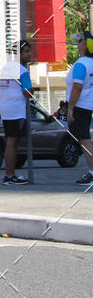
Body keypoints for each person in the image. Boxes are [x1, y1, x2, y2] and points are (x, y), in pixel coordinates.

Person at [0, 40, 32, 185]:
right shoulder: (22, 70)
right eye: (26, 52)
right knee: (12, 142)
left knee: (11, 142)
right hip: (16, 111)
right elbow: (28, 92)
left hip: (6, 109)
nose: (29, 54)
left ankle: (10, 175)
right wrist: (32, 90)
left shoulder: (6, 68)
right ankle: (9, 175)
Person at [66, 32, 93, 185]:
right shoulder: (91, 63)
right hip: (88, 105)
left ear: (84, 46)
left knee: (85, 141)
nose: (77, 44)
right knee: (84, 139)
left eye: (79, 41)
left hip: (79, 106)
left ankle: (92, 173)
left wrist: (70, 109)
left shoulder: (81, 64)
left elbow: (77, 87)